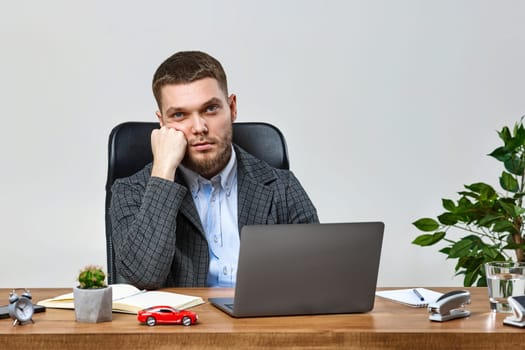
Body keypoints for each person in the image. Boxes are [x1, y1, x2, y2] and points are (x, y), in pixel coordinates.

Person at [110, 51, 319, 289]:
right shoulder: (131, 191)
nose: (199, 127)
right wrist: (163, 171)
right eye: (179, 115)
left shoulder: (282, 187)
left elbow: (315, 276)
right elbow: (143, 277)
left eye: (210, 109)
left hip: (261, 324)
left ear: (232, 107)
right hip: (180, 324)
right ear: (162, 123)